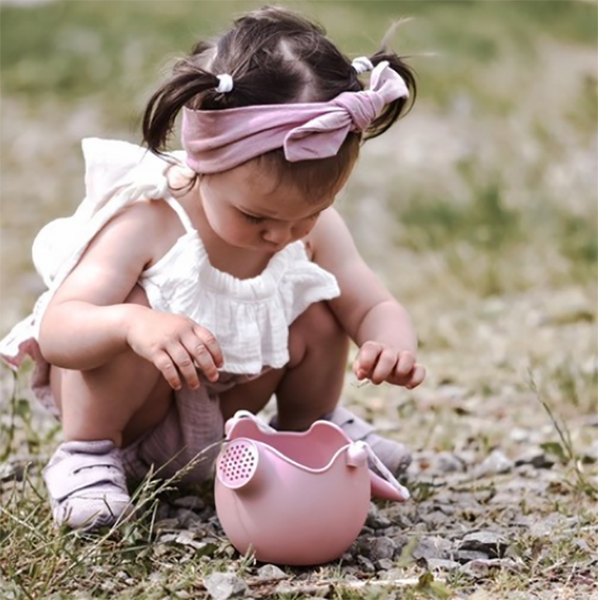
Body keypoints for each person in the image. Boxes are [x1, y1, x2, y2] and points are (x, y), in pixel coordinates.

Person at [0, 6, 425, 530]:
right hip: (137, 420)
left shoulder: (307, 229)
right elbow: (60, 329)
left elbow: (372, 303)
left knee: (321, 306)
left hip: (230, 418)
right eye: (256, 216)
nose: (282, 235)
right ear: (204, 160)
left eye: (308, 213)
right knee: (129, 311)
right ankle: (86, 458)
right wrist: (135, 326)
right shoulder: (149, 220)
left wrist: (391, 341)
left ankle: (309, 434)